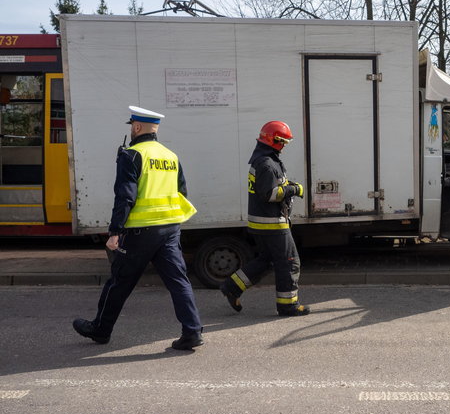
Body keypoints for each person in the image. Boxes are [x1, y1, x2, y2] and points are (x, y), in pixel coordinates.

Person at [72, 106, 204, 350]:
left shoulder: (132, 155)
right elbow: (181, 192)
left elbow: (125, 197)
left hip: (140, 231)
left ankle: (100, 330)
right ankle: (192, 331)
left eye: (131, 126)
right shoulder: (170, 155)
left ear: (136, 127)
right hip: (170, 229)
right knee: (179, 281)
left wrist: (114, 232)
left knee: (119, 282)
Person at [219, 120, 309, 317]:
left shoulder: (262, 159)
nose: (284, 145)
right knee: (289, 261)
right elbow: (269, 194)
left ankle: (232, 286)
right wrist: (294, 189)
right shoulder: (267, 163)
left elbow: (271, 186)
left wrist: (287, 184)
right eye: (283, 141)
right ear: (274, 140)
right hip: (272, 223)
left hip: (262, 223)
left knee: (267, 260)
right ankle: (288, 305)